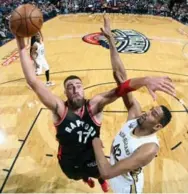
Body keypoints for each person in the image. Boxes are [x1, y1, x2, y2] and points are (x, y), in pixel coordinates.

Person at [15, 32, 175, 192]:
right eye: (70, 87)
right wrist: (21, 44)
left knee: (99, 173)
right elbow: (33, 81)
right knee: (75, 176)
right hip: (68, 160)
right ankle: (85, 178)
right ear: (65, 92)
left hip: (94, 159)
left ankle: (98, 180)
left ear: (83, 89)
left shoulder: (94, 106)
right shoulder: (60, 109)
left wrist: (145, 80)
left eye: (78, 85)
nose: (75, 89)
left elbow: (121, 88)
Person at [92, 16, 175, 193]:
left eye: (153, 114)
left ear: (158, 126)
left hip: (126, 190)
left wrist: (95, 141)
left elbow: (106, 172)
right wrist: (111, 41)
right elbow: (121, 78)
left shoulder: (148, 148)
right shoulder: (135, 116)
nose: (146, 113)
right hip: (115, 176)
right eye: (151, 109)